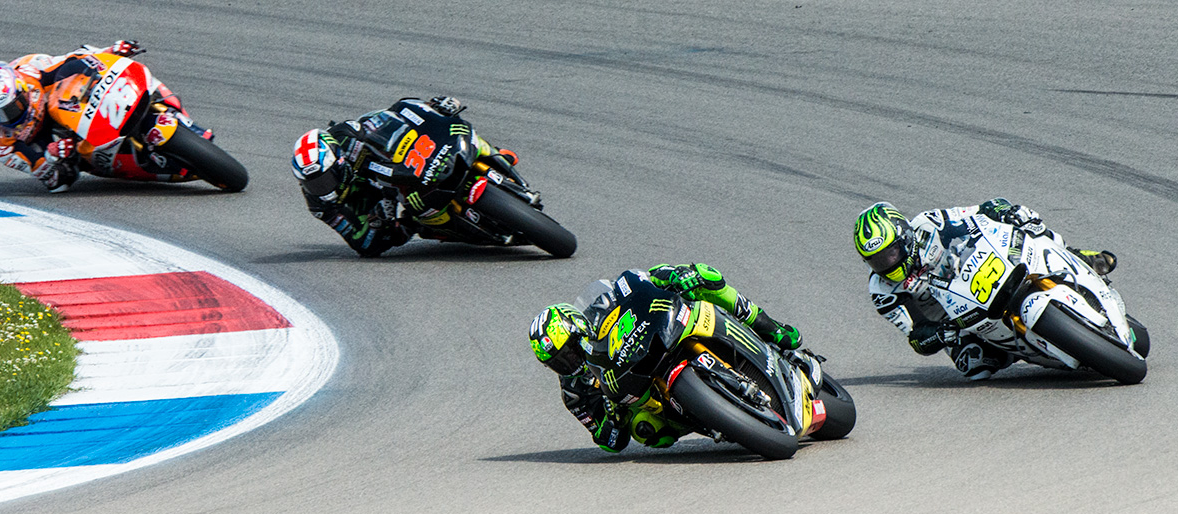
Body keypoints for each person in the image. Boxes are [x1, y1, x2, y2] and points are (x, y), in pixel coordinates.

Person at [529, 264, 803, 452]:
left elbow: (640, 282)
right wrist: (612, 418)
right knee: (646, 431)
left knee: (706, 277)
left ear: (579, 326)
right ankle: (716, 419)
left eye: (570, 351)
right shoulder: (574, 393)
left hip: (654, 337)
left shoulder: (600, 306)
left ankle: (772, 329)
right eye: (558, 361)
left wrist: (671, 275)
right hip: (643, 394)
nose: (570, 362)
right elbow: (609, 442)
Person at [854, 199, 1119, 380]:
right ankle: (1023, 350)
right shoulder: (882, 290)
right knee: (974, 367)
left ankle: (1074, 255)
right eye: (877, 260)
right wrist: (939, 334)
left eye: (891, 253)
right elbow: (916, 337)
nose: (887, 263)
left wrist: (1004, 211)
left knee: (1029, 226)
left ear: (905, 237)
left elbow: (979, 211)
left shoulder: (928, 223)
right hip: (955, 320)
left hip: (976, 270)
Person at [289, 96, 521, 257]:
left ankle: (496, 155)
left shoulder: (345, 135)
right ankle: (462, 227)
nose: (322, 189)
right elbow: (361, 243)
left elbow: (394, 113)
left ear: (338, 161)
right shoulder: (320, 204)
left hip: (403, 167)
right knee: (417, 227)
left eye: (324, 180)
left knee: (458, 135)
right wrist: (380, 222)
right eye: (313, 184)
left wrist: (433, 108)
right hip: (383, 210)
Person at [0, 40, 192, 192]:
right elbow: (52, 179)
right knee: (62, 180)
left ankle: (165, 104)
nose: (10, 116)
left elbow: (74, 59)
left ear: (21, 89)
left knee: (97, 75)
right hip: (50, 141)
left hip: (60, 101)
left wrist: (110, 52)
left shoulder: (31, 71)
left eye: (12, 107)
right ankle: (120, 159)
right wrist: (52, 157)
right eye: (0, 113)